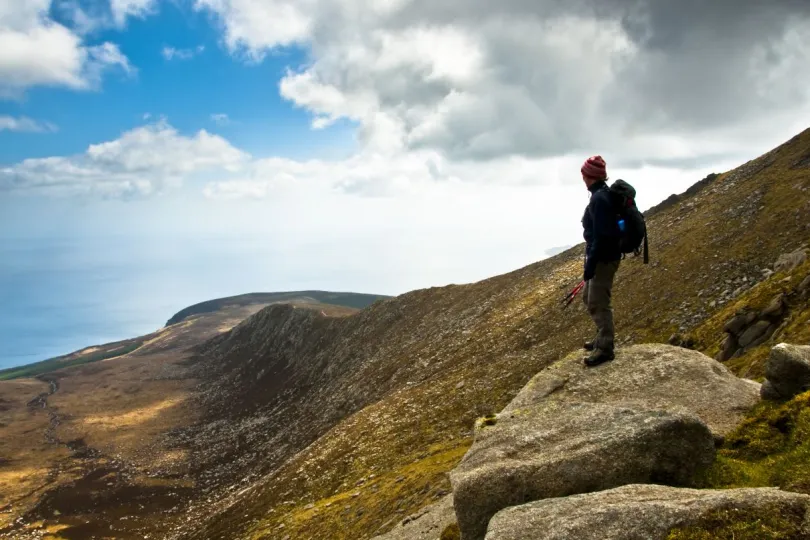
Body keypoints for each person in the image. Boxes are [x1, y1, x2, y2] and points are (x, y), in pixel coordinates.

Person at [580, 155, 622, 367]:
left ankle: (605, 348)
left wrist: (591, 265)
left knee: (598, 302)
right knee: (589, 298)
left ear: (590, 176)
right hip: (602, 257)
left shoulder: (599, 199)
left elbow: (602, 236)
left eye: (584, 174)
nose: (582, 177)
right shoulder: (600, 195)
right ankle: (601, 338)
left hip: (604, 259)